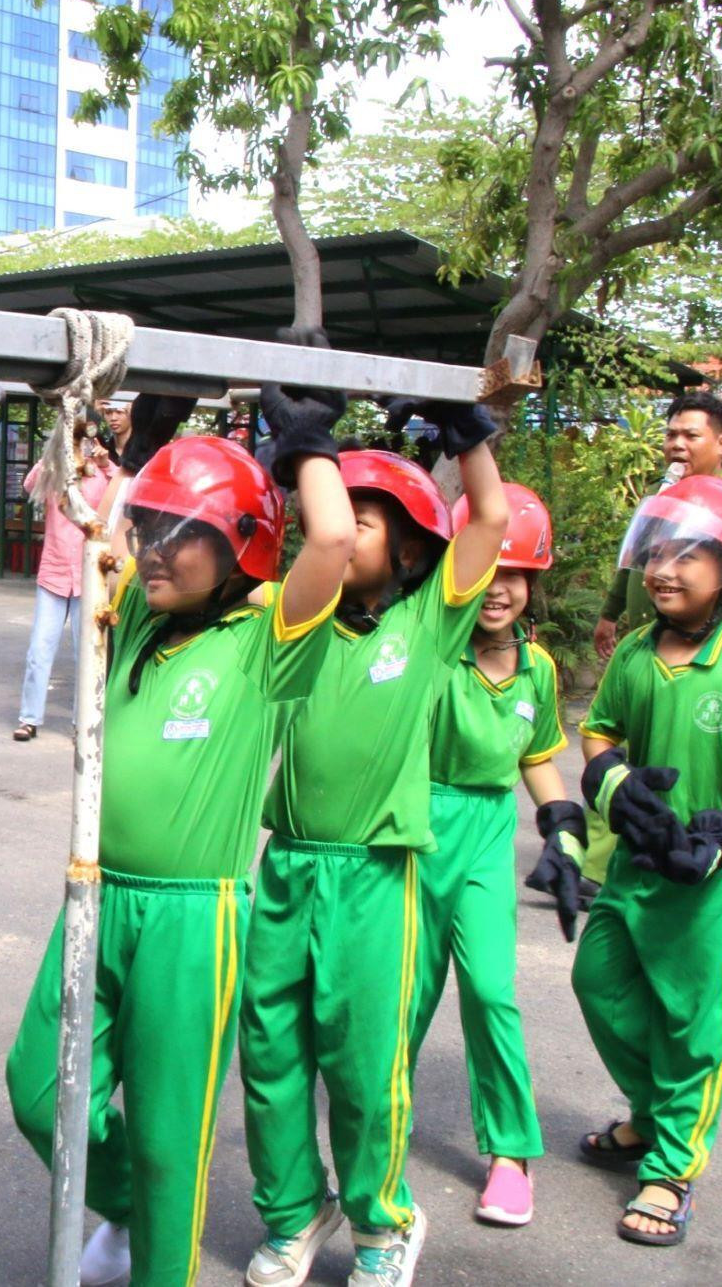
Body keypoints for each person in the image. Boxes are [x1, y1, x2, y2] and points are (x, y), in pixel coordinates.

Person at [6, 379, 355, 1287]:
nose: (155, 550)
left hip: (194, 920)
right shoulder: (134, 619)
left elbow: (332, 537)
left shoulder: (267, 633)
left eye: (182, 532)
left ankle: (159, 1256)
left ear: (239, 545)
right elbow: (106, 526)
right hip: (95, 894)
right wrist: (142, 435)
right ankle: (120, 1203)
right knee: (40, 1091)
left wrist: (307, 440)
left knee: (170, 1139)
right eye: (154, 529)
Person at [241, 395, 509, 1287]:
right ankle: (292, 1211)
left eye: (361, 523)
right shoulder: (297, 616)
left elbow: (492, 520)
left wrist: (467, 437)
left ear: (407, 550)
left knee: (362, 1062)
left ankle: (383, 1225)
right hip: (288, 864)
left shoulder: (428, 626)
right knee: (270, 1047)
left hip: (374, 874)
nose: (344, 536)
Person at [561, 475, 722, 1247]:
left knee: (698, 1024)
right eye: (657, 553)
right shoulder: (636, 651)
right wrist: (613, 781)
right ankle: (654, 1112)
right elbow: (598, 731)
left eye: (687, 555)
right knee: (597, 981)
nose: (665, 569)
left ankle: (670, 1167)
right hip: (637, 863)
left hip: (712, 881)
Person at [409, 482, 590, 1228]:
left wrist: (563, 828)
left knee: (491, 990)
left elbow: (538, 757)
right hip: (414, 830)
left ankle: (511, 1153)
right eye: (487, 569)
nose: (500, 590)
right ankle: (376, 1143)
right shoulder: (429, 651)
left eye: (516, 575)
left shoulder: (537, 670)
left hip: (485, 835)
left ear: (533, 585)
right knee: (401, 1000)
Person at [594, 390, 722, 659]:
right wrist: (609, 614)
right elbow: (634, 559)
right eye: (671, 435)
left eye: (691, 436)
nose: (677, 445)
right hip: (645, 642)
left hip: (703, 654)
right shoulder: (659, 493)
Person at [12, 430, 113, 741]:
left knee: (89, 652)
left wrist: (106, 464)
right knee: (39, 650)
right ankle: (29, 718)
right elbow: (29, 486)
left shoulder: (102, 474)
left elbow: (117, 503)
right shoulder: (54, 470)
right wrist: (53, 455)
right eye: (74, 438)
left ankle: (83, 720)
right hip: (54, 573)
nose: (80, 445)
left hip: (88, 577)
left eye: (84, 439)